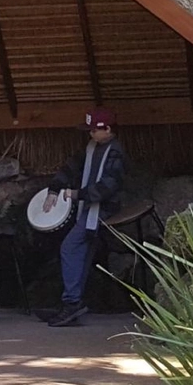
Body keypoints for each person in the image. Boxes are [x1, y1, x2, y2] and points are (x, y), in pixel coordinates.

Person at [43, 107, 127, 327]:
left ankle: (72, 302)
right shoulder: (92, 148)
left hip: (104, 208)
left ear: (107, 129)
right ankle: (72, 303)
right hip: (89, 208)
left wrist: (77, 194)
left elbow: (107, 187)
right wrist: (54, 189)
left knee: (70, 247)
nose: (90, 134)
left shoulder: (116, 152)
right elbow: (70, 168)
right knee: (82, 251)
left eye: (93, 130)